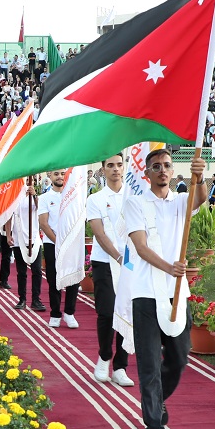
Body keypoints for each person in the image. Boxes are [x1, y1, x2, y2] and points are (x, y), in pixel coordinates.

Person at [124, 148, 207, 429]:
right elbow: (141, 247)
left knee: (179, 356)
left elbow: (200, 199)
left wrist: (201, 173)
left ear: (173, 172)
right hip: (146, 291)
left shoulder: (181, 202)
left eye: (167, 166)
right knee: (149, 365)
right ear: (147, 173)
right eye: (156, 166)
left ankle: (157, 402)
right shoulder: (136, 203)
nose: (162, 170)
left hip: (176, 292)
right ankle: (155, 427)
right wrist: (168, 267)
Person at [87, 153, 131, 387]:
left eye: (119, 165)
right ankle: (105, 356)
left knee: (125, 311)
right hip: (104, 261)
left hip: (130, 263)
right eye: (110, 165)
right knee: (106, 312)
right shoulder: (95, 199)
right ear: (103, 170)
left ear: (124, 168)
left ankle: (121, 367)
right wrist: (117, 256)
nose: (115, 169)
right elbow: (99, 233)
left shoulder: (133, 196)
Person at [38, 169, 78, 329]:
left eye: (62, 174)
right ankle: (55, 314)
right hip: (52, 243)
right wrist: (59, 242)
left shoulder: (74, 195)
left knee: (73, 278)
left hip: (73, 243)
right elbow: (44, 223)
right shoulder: (44, 198)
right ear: (50, 176)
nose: (60, 177)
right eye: (56, 174)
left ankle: (70, 313)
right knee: (53, 279)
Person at [10, 179, 44, 311]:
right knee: (21, 271)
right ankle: (22, 299)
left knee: (36, 270)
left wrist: (34, 195)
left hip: (34, 237)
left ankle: (36, 299)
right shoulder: (14, 198)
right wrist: (8, 234)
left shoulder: (35, 197)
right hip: (18, 238)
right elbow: (8, 216)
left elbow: (40, 210)